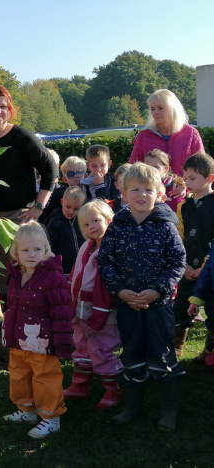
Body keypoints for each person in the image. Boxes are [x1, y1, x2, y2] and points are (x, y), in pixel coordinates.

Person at [98, 163, 186, 431]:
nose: (142, 195)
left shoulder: (166, 227)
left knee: (161, 354)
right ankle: (133, 405)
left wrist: (158, 289)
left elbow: (178, 262)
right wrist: (120, 291)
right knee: (132, 353)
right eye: (135, 189)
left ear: (159, 194)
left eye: (148, 190)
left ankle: (169, 410)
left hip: (158, 306)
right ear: (124, 193)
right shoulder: (117, 226)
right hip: (127, 305)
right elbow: (105, 261)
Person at [0, 86, 58, 339]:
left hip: (14, 217)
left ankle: (15, 322)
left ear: (10, 109)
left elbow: (49, 168)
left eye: (3, 106)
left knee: (14, 273)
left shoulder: (21, 137)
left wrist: (38, 207)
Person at [1, 221, 73, 439]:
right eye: (25, 250)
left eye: (37, 249)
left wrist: (63, 343)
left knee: (45, 377)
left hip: (43, 341)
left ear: (46, 250)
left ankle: (51, 417)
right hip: (18, 338)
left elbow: (62, 312)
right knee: (18, 373)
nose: (31, 254)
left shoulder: (53, 278)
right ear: (16, 252)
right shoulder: (15, 274)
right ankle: (27, 410)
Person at [64, 200, 123, 410]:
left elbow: (105, 288)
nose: (92, 227)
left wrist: (98, 318)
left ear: (109, 220)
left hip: (103, 315)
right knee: (81, 347)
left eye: (96, 221)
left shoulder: (110, 249)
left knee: (102, 349)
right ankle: (80, 385)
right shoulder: (87, 247)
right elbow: (75, 274)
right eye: (87, 224)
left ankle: (113, 390)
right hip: (81, 310)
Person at [173, 153, 214, 359]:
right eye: (185, 178)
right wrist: (185, 265)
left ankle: (208, 351)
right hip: (188, 269)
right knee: (181, 306)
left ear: (210, 178)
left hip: (211, 270)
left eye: (193, 178)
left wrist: (206, 266)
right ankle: (176, 348)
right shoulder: (184, 205)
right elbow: (179, 237)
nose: (187, 182)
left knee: (213, 310)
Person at [129, 89, 205, 177]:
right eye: (152, 109)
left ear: (173, 108)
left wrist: (185, 185)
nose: (156, 112)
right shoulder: (144, 136)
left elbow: (201, 167)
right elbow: (133, 169)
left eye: (160, 108)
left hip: (187, 189)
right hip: (152, 189)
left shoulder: (191, 133)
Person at [45, 186, 86, 277]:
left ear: (82, 206)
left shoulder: (83, 220)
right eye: (68, 207)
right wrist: (54, 265)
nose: (70, 211)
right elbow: (50, 244)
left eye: (76, 209)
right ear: (62, 201)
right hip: (63, 270)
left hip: (83, 269)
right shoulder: (55, 220)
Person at [39, 156, 87, 223]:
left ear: (85, 176)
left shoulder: (90, 192)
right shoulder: (60, 194)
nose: (75, 176)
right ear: (65, 179)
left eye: (79, 173)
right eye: (71, 174)